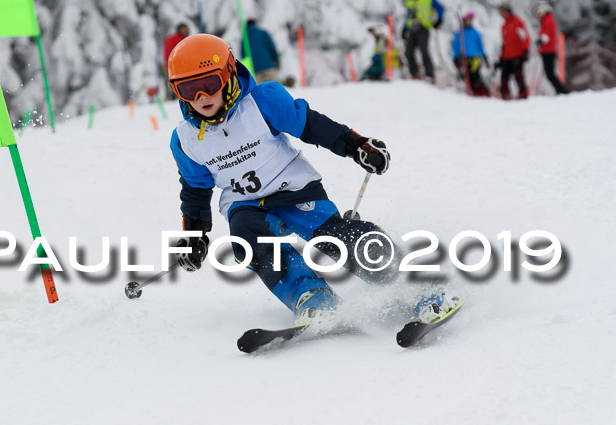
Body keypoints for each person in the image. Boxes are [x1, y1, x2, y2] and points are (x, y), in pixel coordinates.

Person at [165, 34, 453, 326]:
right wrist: (193, 236)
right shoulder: (186, 140)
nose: (201, 98)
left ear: (227, 74)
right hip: (244, 202)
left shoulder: (262, 103)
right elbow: (195, 189)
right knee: (250, 240)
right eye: (188, 89)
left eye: (209, 85)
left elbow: (311, 126)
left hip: (294, 187)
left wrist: (357, 146)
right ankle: (313, 297)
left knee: (333, 237)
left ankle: (414, 282)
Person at [402, 0, 445, 81]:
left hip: (423, 28)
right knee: (408, 52)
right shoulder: (410, 1)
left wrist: (439, 20)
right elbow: (408, 15)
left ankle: (430, 75)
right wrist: (404, 28)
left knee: (424, 51)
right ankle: (414, 73)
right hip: (412, 29)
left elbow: (440, 8)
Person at [534, 1, 570, 94]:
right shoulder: (546, 20)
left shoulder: (548, 20)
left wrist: (540, 41)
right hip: (546, 50)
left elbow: (546, 36)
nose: (537, 14)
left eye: (538, 11)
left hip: (548, 51)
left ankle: (562, 91)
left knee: (550, 74)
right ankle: (561, 90)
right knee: (550, 74)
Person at [452, 12, 490, 96]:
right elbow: (455, 46)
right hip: (464, 59)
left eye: (470, 20)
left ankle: (482, 93)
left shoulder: (476, 33)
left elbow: (480, 46)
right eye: (467, 20)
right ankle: (471, 93)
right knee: (465, 76)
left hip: (475, 59)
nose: (469, 22)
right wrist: (455, 58)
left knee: (475, 76)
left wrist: (485, 57)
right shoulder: (459, 33)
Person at [497, 4, 530, 99]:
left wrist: (526, 51)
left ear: (506, 11)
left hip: (517, 55)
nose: (500, 14)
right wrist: (501, 58)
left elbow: (525, 37)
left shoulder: (517, 21)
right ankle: (505, 96)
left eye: (501, 11)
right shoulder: (503, 26)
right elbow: (504, 44)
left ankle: (523, 95)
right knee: (504, 78)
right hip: (506, 56)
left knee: (518, 76)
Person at [242, 19, 280, 84]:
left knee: (260, 90)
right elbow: (271, 46)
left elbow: (243, 55)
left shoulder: (245, 38)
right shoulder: (263, 33)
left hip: (255, 68)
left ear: (247, 25)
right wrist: (275, 57)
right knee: (276, 86)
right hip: (268, 65)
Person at [163, 24, 189, 99]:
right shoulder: (177, 39)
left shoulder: (177, 39)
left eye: (185, 29)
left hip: (173, 65)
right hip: (176, 66)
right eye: (183, 29)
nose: (185, 31)